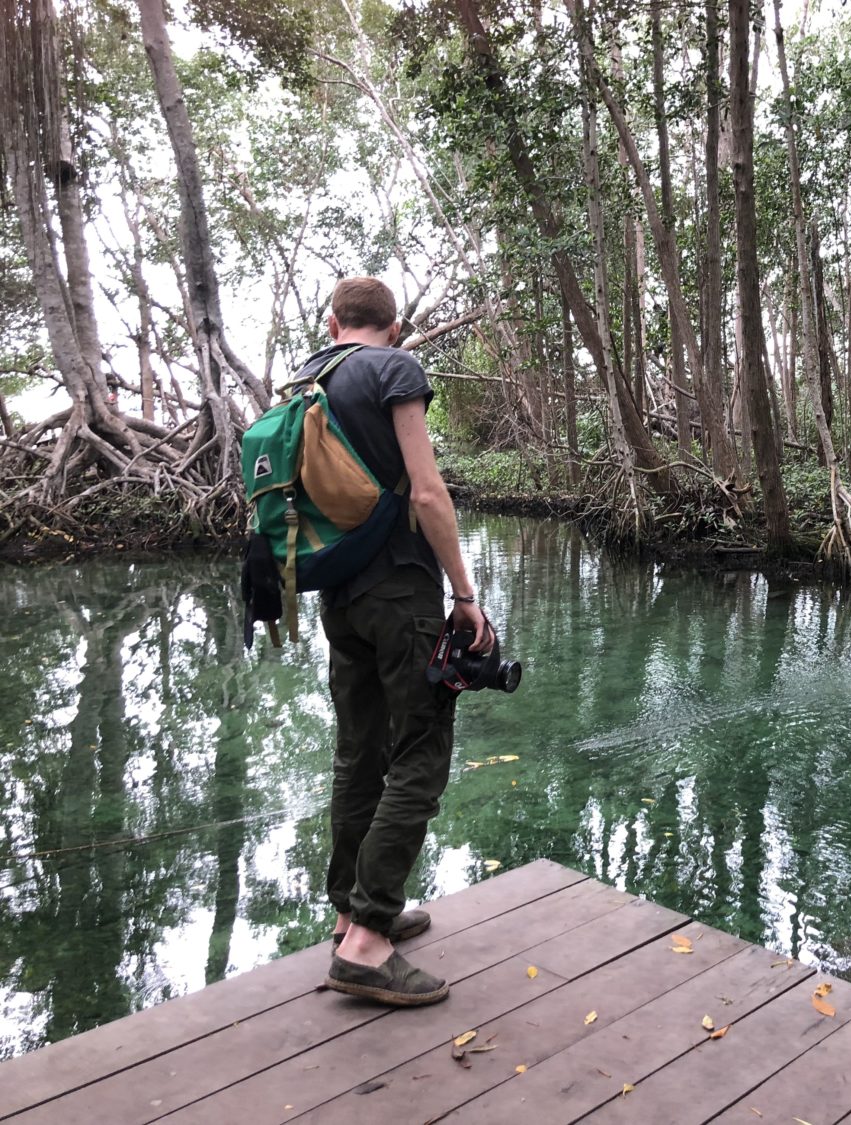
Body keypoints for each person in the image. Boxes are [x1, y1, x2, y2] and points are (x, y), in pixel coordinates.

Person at [306, 276, 491, 1007]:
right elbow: (425, 490)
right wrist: (466, 595)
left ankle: (352, 909)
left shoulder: (309, 379)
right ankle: (368, 941)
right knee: (420, 751)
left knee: (359, 752)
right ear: (392, 325)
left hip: (339, 597)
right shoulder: (395, 370)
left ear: (334, 322)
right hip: (399, 593)